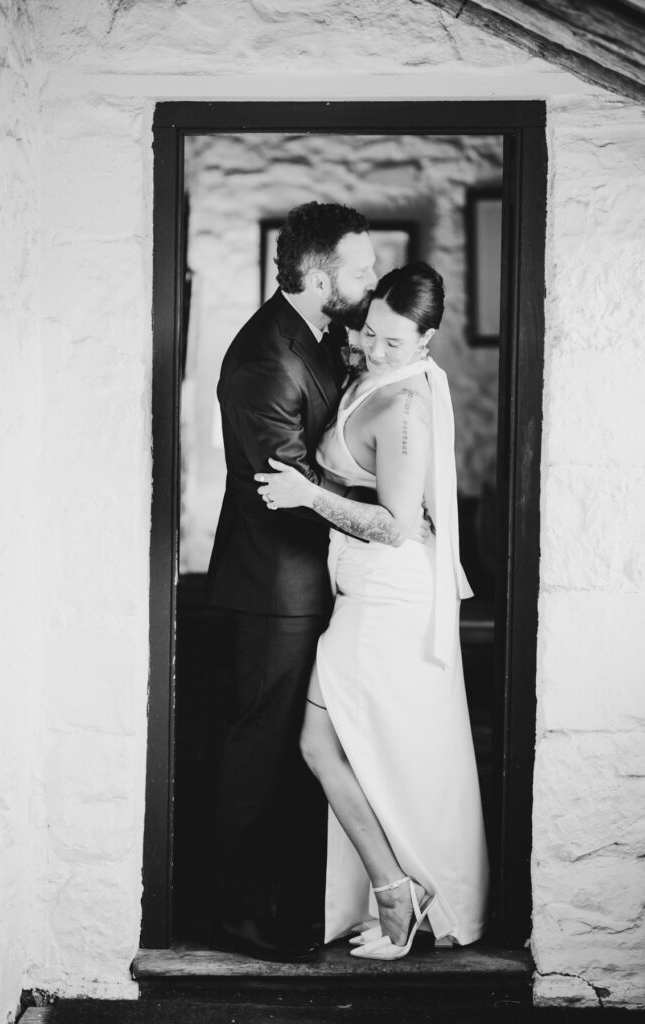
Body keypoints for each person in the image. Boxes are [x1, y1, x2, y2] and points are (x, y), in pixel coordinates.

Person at [256, 262, 490, 959]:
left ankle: (398, 893)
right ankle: (396, 891)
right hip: (358, 591)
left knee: (317, 743)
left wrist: (308, 497)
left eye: (394, 341)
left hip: (386, 597)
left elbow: (394, 524)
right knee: (349, 746)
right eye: (370, 332)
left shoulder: (404, 405)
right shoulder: (370, 376)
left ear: (427, 339)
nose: (374, 349)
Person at [206, 201, 378, 962]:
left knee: (300, 747)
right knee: (262, 750)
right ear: (318, 276)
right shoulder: (262, 359)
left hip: (312, 581)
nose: (371, 280)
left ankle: (294, 901)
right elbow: (291, 485)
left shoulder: (311, 335)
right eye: (362, 268)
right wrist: (388, 515)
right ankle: (241, 917)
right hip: (274, 587)